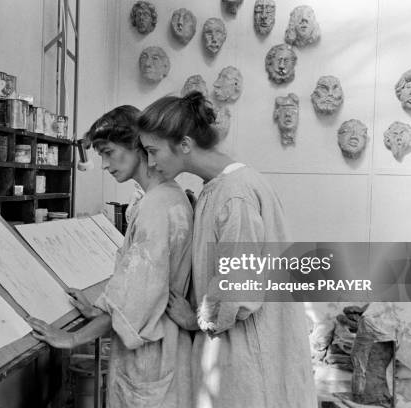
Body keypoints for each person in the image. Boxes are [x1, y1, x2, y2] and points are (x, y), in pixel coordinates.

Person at [137, 92, 317, 408]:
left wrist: (195, 320)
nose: (151, 163)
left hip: (249, 359)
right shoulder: (220, 186)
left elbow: (238, 286)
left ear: (185, 144)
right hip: (237, 354)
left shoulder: (235, 195)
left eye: (153, 151)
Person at [28, 106, 193, 407]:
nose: (104, 164)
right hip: (157, 349)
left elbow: (136, 297)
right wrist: (97, 310)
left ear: (136, 144)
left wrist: (73, 339)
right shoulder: (161, 197)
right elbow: (135, 281)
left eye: (107, 152)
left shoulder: (158, 208)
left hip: (150, 355)